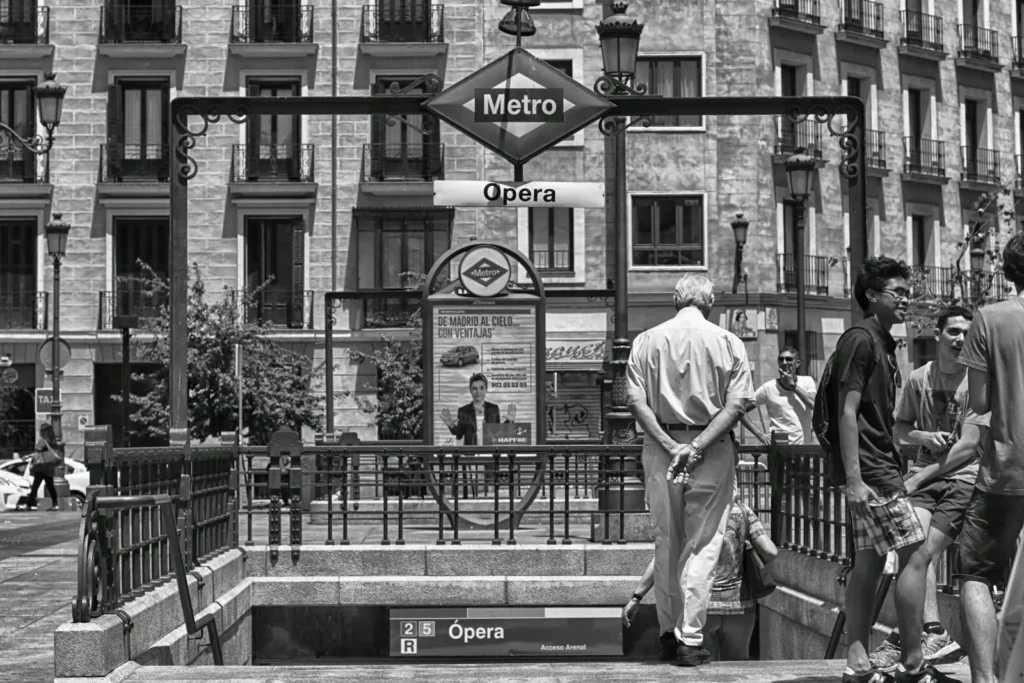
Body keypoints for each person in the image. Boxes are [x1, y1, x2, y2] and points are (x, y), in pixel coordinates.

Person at [625, 273, 754, 666]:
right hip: (711, 449)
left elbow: (635, 401)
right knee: (703, 544)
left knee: (667, 541)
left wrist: (671, 447)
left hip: (660, 448)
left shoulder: (645, 340)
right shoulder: (729, 341)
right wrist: (696, 447)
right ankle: (690, 639)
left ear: (676, 300)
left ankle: (668, 633)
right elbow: (737, 405)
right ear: (709, 302)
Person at [823, 256, 936, 683]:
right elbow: (846, 412)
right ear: (872, 295)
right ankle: (913, 662)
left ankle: (857, 663)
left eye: (908, 292)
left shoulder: (880, 342)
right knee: (916, 554)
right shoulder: (861, 340)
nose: (905, 299)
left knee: (869, 561)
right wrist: (855, 480)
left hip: (872, 468)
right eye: (897, 292)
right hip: (873, 471)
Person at [868, 307, 977, 672]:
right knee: (910, 545)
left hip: (963, 478)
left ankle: (910, 635)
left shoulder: (978, 380)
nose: (961, 339)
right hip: (925, 479)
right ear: (937, 335)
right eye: (954, 332)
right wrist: (924, 437)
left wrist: (917, 477)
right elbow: (900, 428)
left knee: (924, 551)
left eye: (967, 333)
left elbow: (970, 446)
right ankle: (929, 631)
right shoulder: (919, 378)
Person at [956, 233, 1024, 683]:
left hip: (1007, 468)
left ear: (1009, 271)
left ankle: (986, 679)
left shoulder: (990, 318)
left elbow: (979, 401)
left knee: (976, 572)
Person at [621, 489, 778, 661]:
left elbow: (663, 560)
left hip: (701, 605)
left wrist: (637, 597)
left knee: (703, 665)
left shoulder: (690, 515)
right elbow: (770, 552)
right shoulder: (744, 512)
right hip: (740, 604)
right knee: (738, 663)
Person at [740, 346, 818, 445]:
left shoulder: (807, 381)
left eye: (789, 359)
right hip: (778, 449)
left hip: (803, 449)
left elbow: (814, 405)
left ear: (797, 363)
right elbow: (740, 410)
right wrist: (760, 435)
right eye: (781, 359)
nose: (784, 362)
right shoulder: (768, 387)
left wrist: (793, 387)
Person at [440, 373, 517, 446]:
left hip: (489, 452)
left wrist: (509, 421)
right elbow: (459, 435)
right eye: (474, 388)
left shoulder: (493, 409)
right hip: (471, 453)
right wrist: (452, 426)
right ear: (470, 390)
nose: (478, 392)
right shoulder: (463, 411)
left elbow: (498, 432)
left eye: (481, 388)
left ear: (486, 389)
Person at [26, 423, 60, 511]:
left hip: (41, 467)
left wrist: (28, 456)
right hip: (49, 468)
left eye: (41, 430)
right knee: (51, 487)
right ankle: (55, 504)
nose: (40, 432)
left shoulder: (42, 441)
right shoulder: (53, 441)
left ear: (44, 432)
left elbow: (37, 452)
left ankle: (29, 504)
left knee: (35, 487)